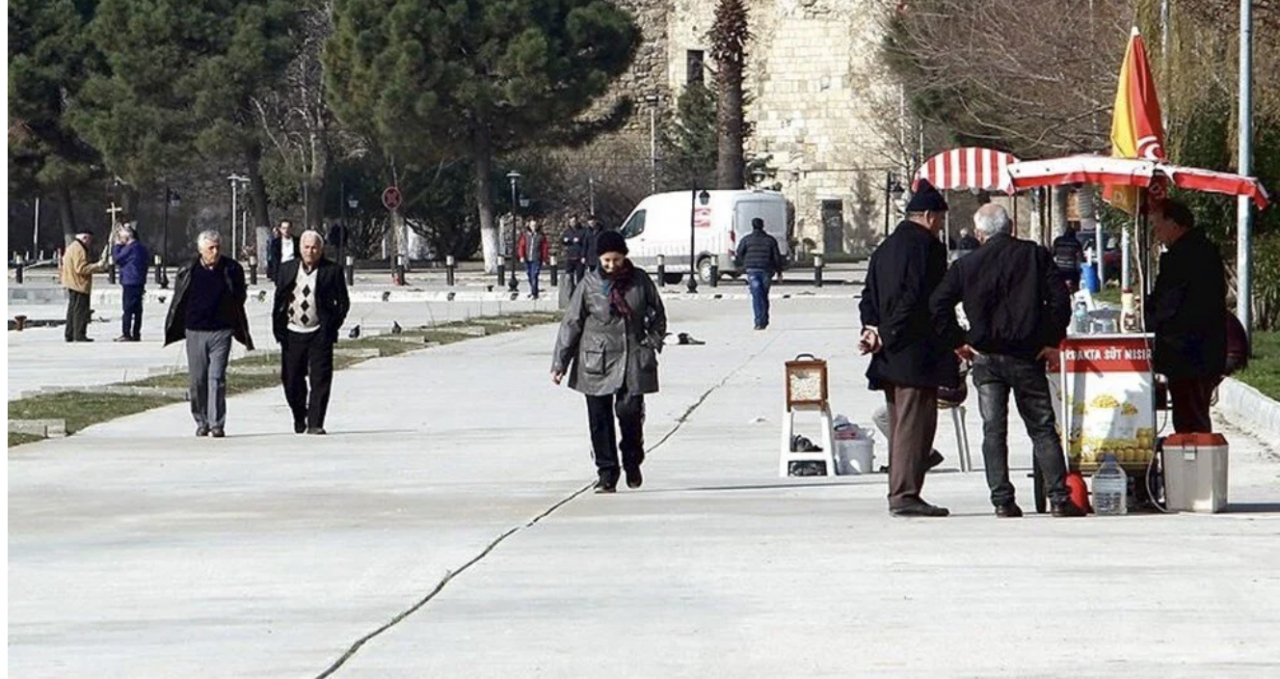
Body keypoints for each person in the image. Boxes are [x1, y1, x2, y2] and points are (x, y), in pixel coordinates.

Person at [930, 204, 1083, 518]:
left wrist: (959, 341)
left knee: (993, 430)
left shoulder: (966, 264)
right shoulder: (1035, 256)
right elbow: (1060, 299)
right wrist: (1052, 339)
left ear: (979, 233)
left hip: (985, 357)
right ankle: (1058, 497)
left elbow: (938, 304)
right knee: (1042, 428)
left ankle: (1002, 500)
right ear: (1011, 225)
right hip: (1028, 354)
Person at [858, 179, 958, 517]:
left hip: (888, 354)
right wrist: (886, 332)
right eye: (940, 220)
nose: (941, 227)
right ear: (929, 216)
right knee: (916, 426)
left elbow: (868, 295)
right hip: (915, 351)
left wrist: (871, 329)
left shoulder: (885, 247)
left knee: (903, 424)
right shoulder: (927, 248)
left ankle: (903, 487)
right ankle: (904, 494)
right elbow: (918, 298)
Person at [552, 230, 667, 493]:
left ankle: (632, 460)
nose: (611, 266)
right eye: (606, 261)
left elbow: (658, 314)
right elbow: (572, 323)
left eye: (616, 260)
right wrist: (560, 363)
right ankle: (606, 473)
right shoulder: (589, 284)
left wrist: (651, 342)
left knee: (629, 414)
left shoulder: (640, 281)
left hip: (633, 355)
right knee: (599, 419)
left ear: (624, 257)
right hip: (596, 359)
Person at [164, 231, 255, 437]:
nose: (215, 251)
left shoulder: (232, 269)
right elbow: (180, 299)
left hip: (221, 332)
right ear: (201, 250)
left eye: (217, 247)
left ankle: (217, 423)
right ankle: (201, 420)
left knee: (216, 378)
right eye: (210, 248)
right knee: (197, 380)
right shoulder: (188, 269)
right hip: (195, 331)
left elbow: (239, 296)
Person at [1147, 199, 1227, 433]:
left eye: (1158, 225)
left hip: (1188, 352)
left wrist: (1150, 317)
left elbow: (1170, 303)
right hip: (1201, 350)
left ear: (1173, 223)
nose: (1157, 232)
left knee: (1190, 417)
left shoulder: (1184, 257)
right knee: (1192, 413)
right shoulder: (1203, 250)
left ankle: (1194, 463)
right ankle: (1192, 460)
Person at [273, 230, 350, 435]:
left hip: (319, 332)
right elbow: (279, 299)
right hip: (292, 332)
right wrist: (278, 327)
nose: (310, 251)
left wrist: (332, 325)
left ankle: (315, 422)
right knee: (291, 379)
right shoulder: (287, 269)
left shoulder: (331, 270)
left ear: (321, 249)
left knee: (320, 378)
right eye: (306, 247)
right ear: (300, 249)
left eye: (314, 247)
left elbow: (343, 302)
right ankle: (300, 415)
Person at [734, 217, 786, 330]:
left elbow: (739, 254)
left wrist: (744, 264)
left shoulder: (746, 239)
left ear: (752, 226)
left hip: (752, 270)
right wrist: (779, 272)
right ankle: (764, 319)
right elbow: (776, 257)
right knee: (764, 295)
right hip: (766, 270)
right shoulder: (770, 240)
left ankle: (759, 321)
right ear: (763, 226)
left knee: (756, 296)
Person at [62, 229, 110, 342]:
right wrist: (97, 266)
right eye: (90, 240)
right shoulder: (79, 249)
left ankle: (70, 333)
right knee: (80, 311)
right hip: (79, 284)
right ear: (85, 238)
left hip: (71, 282)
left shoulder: (72, 246)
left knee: (72, 310)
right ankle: (79, 334)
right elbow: (81, 268)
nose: (90, 243)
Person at [111, 223, 150, 342]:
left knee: (127, 308)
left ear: (127, 238)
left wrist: (117, 245)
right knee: (138, 308)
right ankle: (136, 332)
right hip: (139, 280)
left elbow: (117, 258)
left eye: (121, 237)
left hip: (130, 280)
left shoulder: (130, 248)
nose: (120, 239)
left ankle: (126, 332)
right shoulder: (141, 248)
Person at [518, 219, 551, 299]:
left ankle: (534, 293)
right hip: (527, 259)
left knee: (534, 275)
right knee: (529, 275)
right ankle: (534, 290)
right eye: (532, 225)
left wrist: (544, 259)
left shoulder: (541, 236)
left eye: (535, 225)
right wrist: (521, 256)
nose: (533, 227)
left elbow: (544, 248)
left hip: (537, 259)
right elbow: (521, 246)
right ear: (529, 226)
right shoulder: (525, 235)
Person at [1051, 223, 1084, 293]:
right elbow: (1081, 257)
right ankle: (1074, 293)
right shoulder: (1076, 243)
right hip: (1071, 270)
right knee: (1075, 282)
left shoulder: (1058, 241)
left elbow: (1052, 254)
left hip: (1059, 268)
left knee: (1059, 284)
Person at [561, 215, 588, 287]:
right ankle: (571, 290)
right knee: (569, 276)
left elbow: (585, 244)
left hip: (579, 257)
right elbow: (562, 240)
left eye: (574, 221)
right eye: (571, 222)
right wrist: (564, 240)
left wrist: (583, 256)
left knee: (580, 276)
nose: (572, 223)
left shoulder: (583, 231)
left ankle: (579, 292)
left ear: (577, 221)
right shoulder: (567, 231)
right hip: (570, 256)